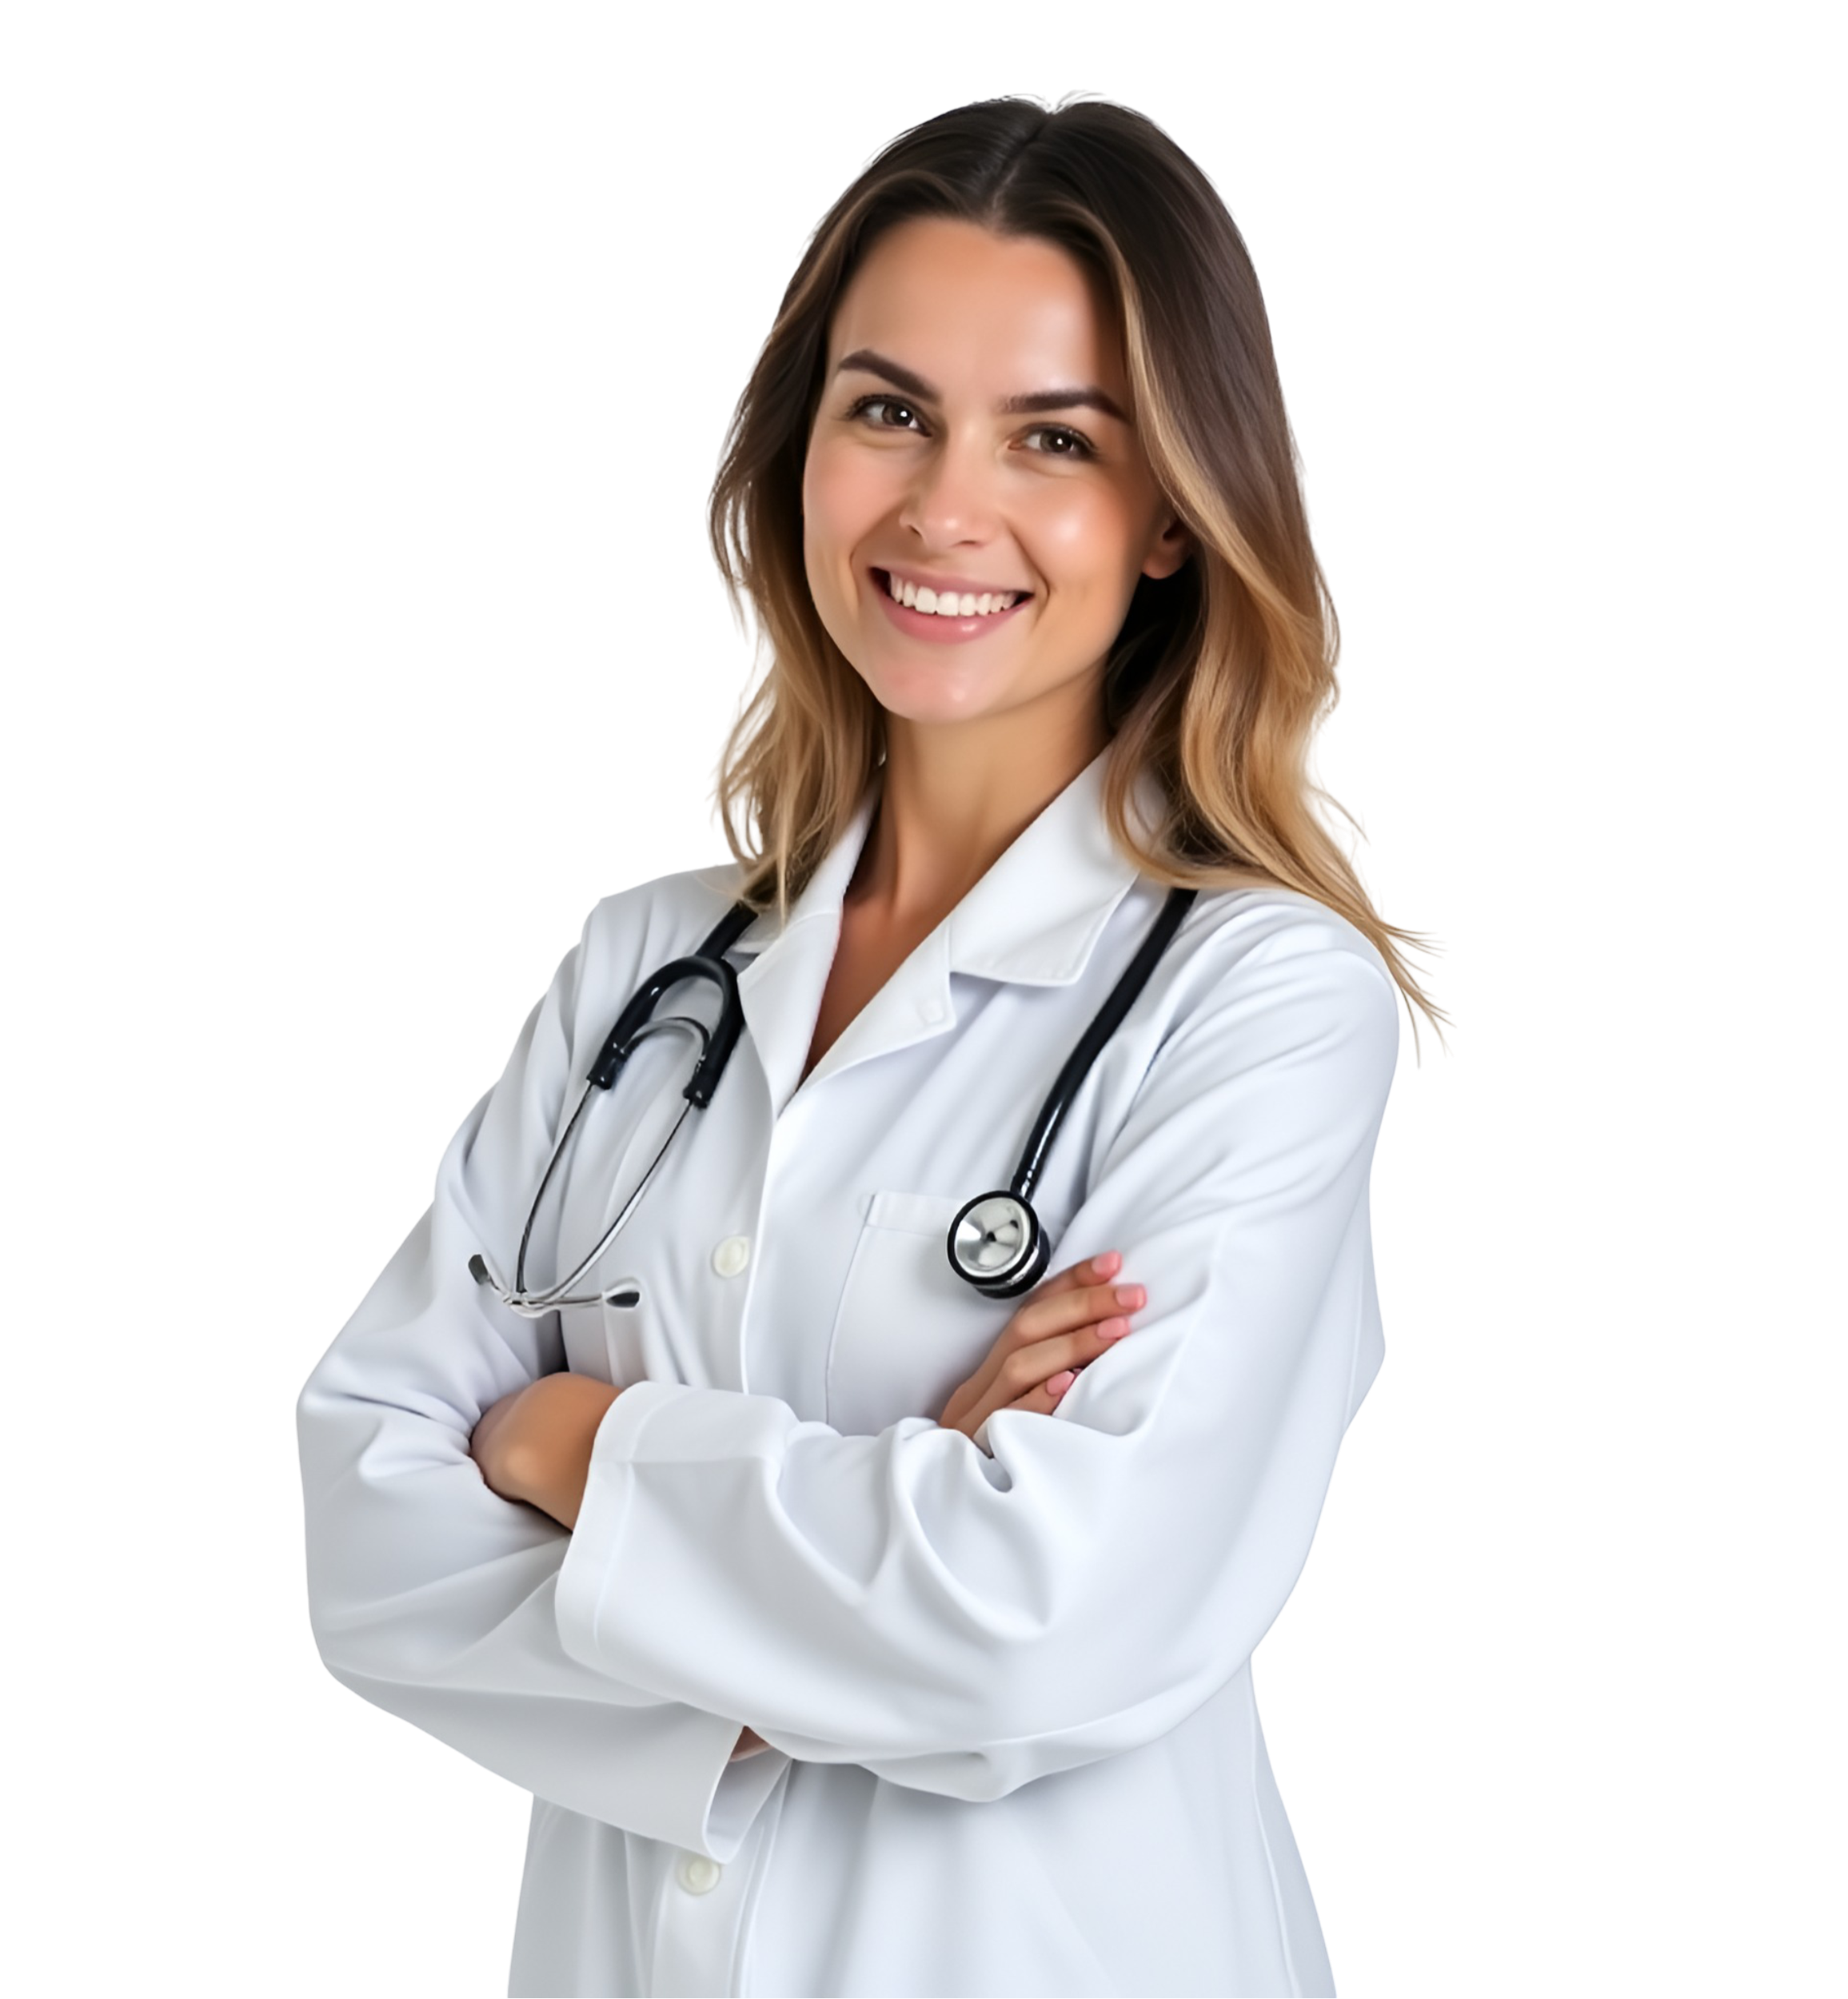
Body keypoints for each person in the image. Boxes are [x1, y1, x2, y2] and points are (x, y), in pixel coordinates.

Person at [294, 88, 1451, 1998]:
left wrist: (567, 1435)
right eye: (887, 407)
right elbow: (356, 1531)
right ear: (799, 447)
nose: (940, 509)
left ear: (1172, 514)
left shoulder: (1256, 999)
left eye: (1052, 438)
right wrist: (835, 1586)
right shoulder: (643, 969)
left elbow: (1039, 1621)